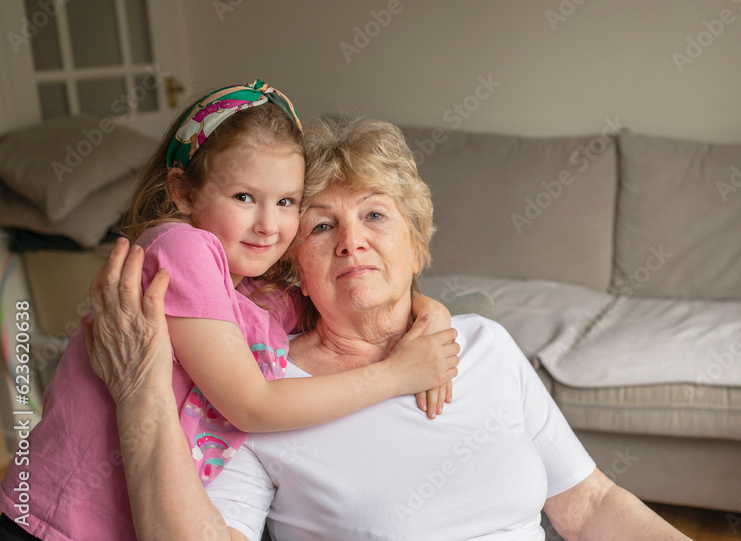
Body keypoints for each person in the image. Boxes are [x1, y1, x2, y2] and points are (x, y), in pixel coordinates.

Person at [84, 117, 694, 540]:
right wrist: (141, 395)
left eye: (376, 214)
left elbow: (589, 505)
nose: (354, 241)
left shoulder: (483, 345)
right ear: (293, 262)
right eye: (322, 226)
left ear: (416, 238)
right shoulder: (264, 384)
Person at [0, 84, 459, 540]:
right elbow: (251, 405)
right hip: (48, 522)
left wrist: (429, 312)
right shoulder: (181, 248)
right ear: (183, 192)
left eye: (286, 202)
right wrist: (399, 374)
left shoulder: (257, 294)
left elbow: (356, 294)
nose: (268, 224)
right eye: (244, 197)